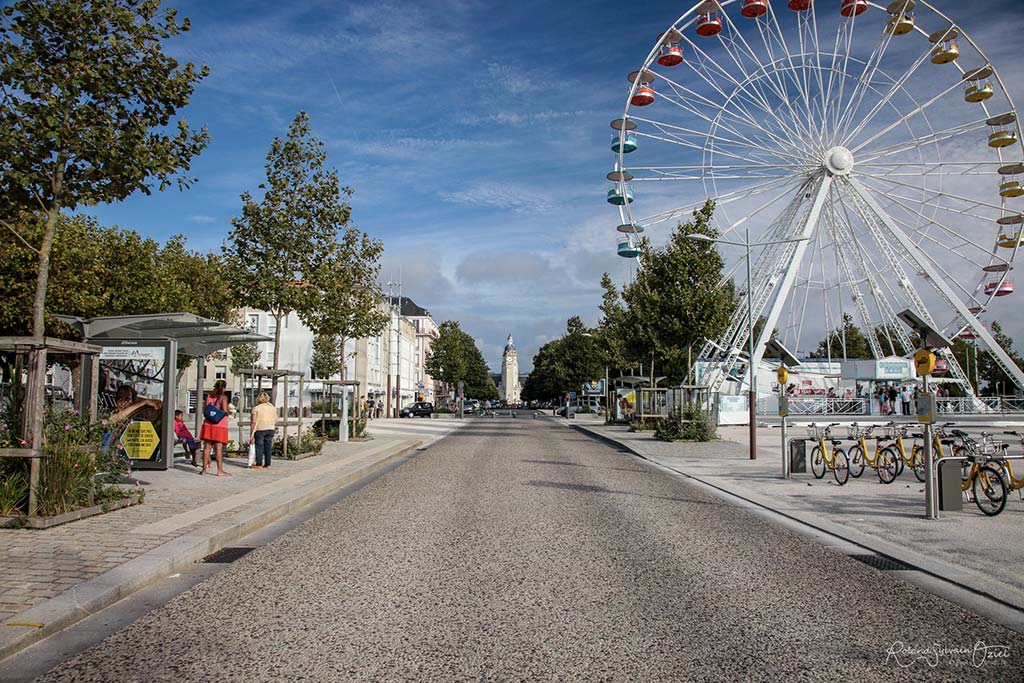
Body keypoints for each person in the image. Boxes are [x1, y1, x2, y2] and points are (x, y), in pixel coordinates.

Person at [199, 379, 231, 477]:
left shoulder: (209, 396)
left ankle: (204, 470)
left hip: (208, 424)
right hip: (219, 425)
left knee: (207, 447)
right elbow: (224, 411)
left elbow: (206, 409)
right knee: (218, 448)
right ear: (224, 388)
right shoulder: (223, 397)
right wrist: (230, 411)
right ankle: (220, 470)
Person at [249, 392, 277, 469]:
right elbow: (276, 419)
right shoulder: (272, 407)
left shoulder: (256, 408)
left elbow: (253, 421)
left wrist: (251, 433)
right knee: (268, 446)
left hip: (260, 428)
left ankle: (259, 463)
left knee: (259, 446)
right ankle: (268, 463)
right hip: (270, 428)